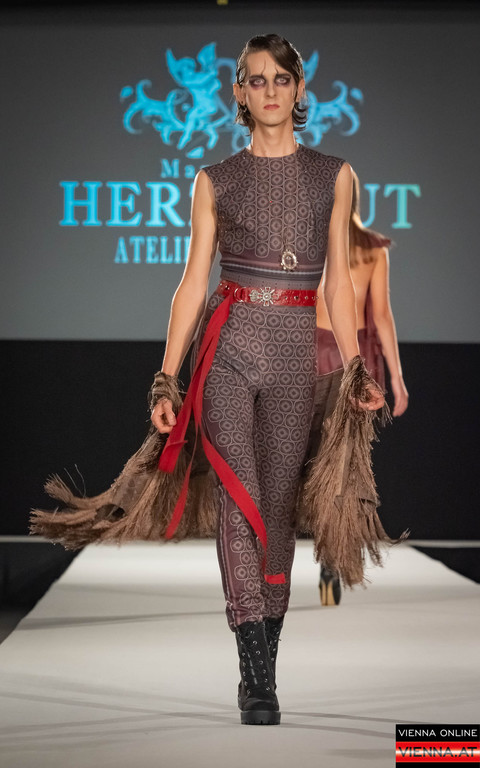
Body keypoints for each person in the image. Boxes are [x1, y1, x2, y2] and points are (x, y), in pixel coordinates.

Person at [31, 34, 392, 726]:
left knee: (278, 510)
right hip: (228, 350)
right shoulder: (215, 179)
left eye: (281, 79)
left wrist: (354, 368)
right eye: (256, 80)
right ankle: (256, 677)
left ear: (299, 89)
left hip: (294, 351)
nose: (270, 91)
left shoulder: (335, 174)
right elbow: (194, 282)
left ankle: (263, 662)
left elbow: (340, 290)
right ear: (239, 93)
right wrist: (167, 379)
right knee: (239, 496)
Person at [316, 171, 409, 606]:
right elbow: (382, 315)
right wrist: (397, 378)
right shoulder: (372, 249)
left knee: (301, 458)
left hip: (307, 353)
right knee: (342, 461)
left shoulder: (311, 241)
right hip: (351, 357)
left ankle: (277, 562)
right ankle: (331, 560)